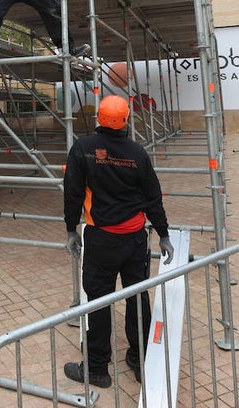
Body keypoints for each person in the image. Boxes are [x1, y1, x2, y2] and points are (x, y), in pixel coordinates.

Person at [62, 95, 174, 388]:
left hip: (101, 240)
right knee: (138, 296)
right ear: (126, 120)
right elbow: (153, 197)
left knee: (98, 301)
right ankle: (140, 360)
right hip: (136, 239)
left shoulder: (83, 149)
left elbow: (72, 192)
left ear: (98, 118)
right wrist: (163, 233)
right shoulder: (137, 153)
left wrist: (71, 229)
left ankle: (98, 368)